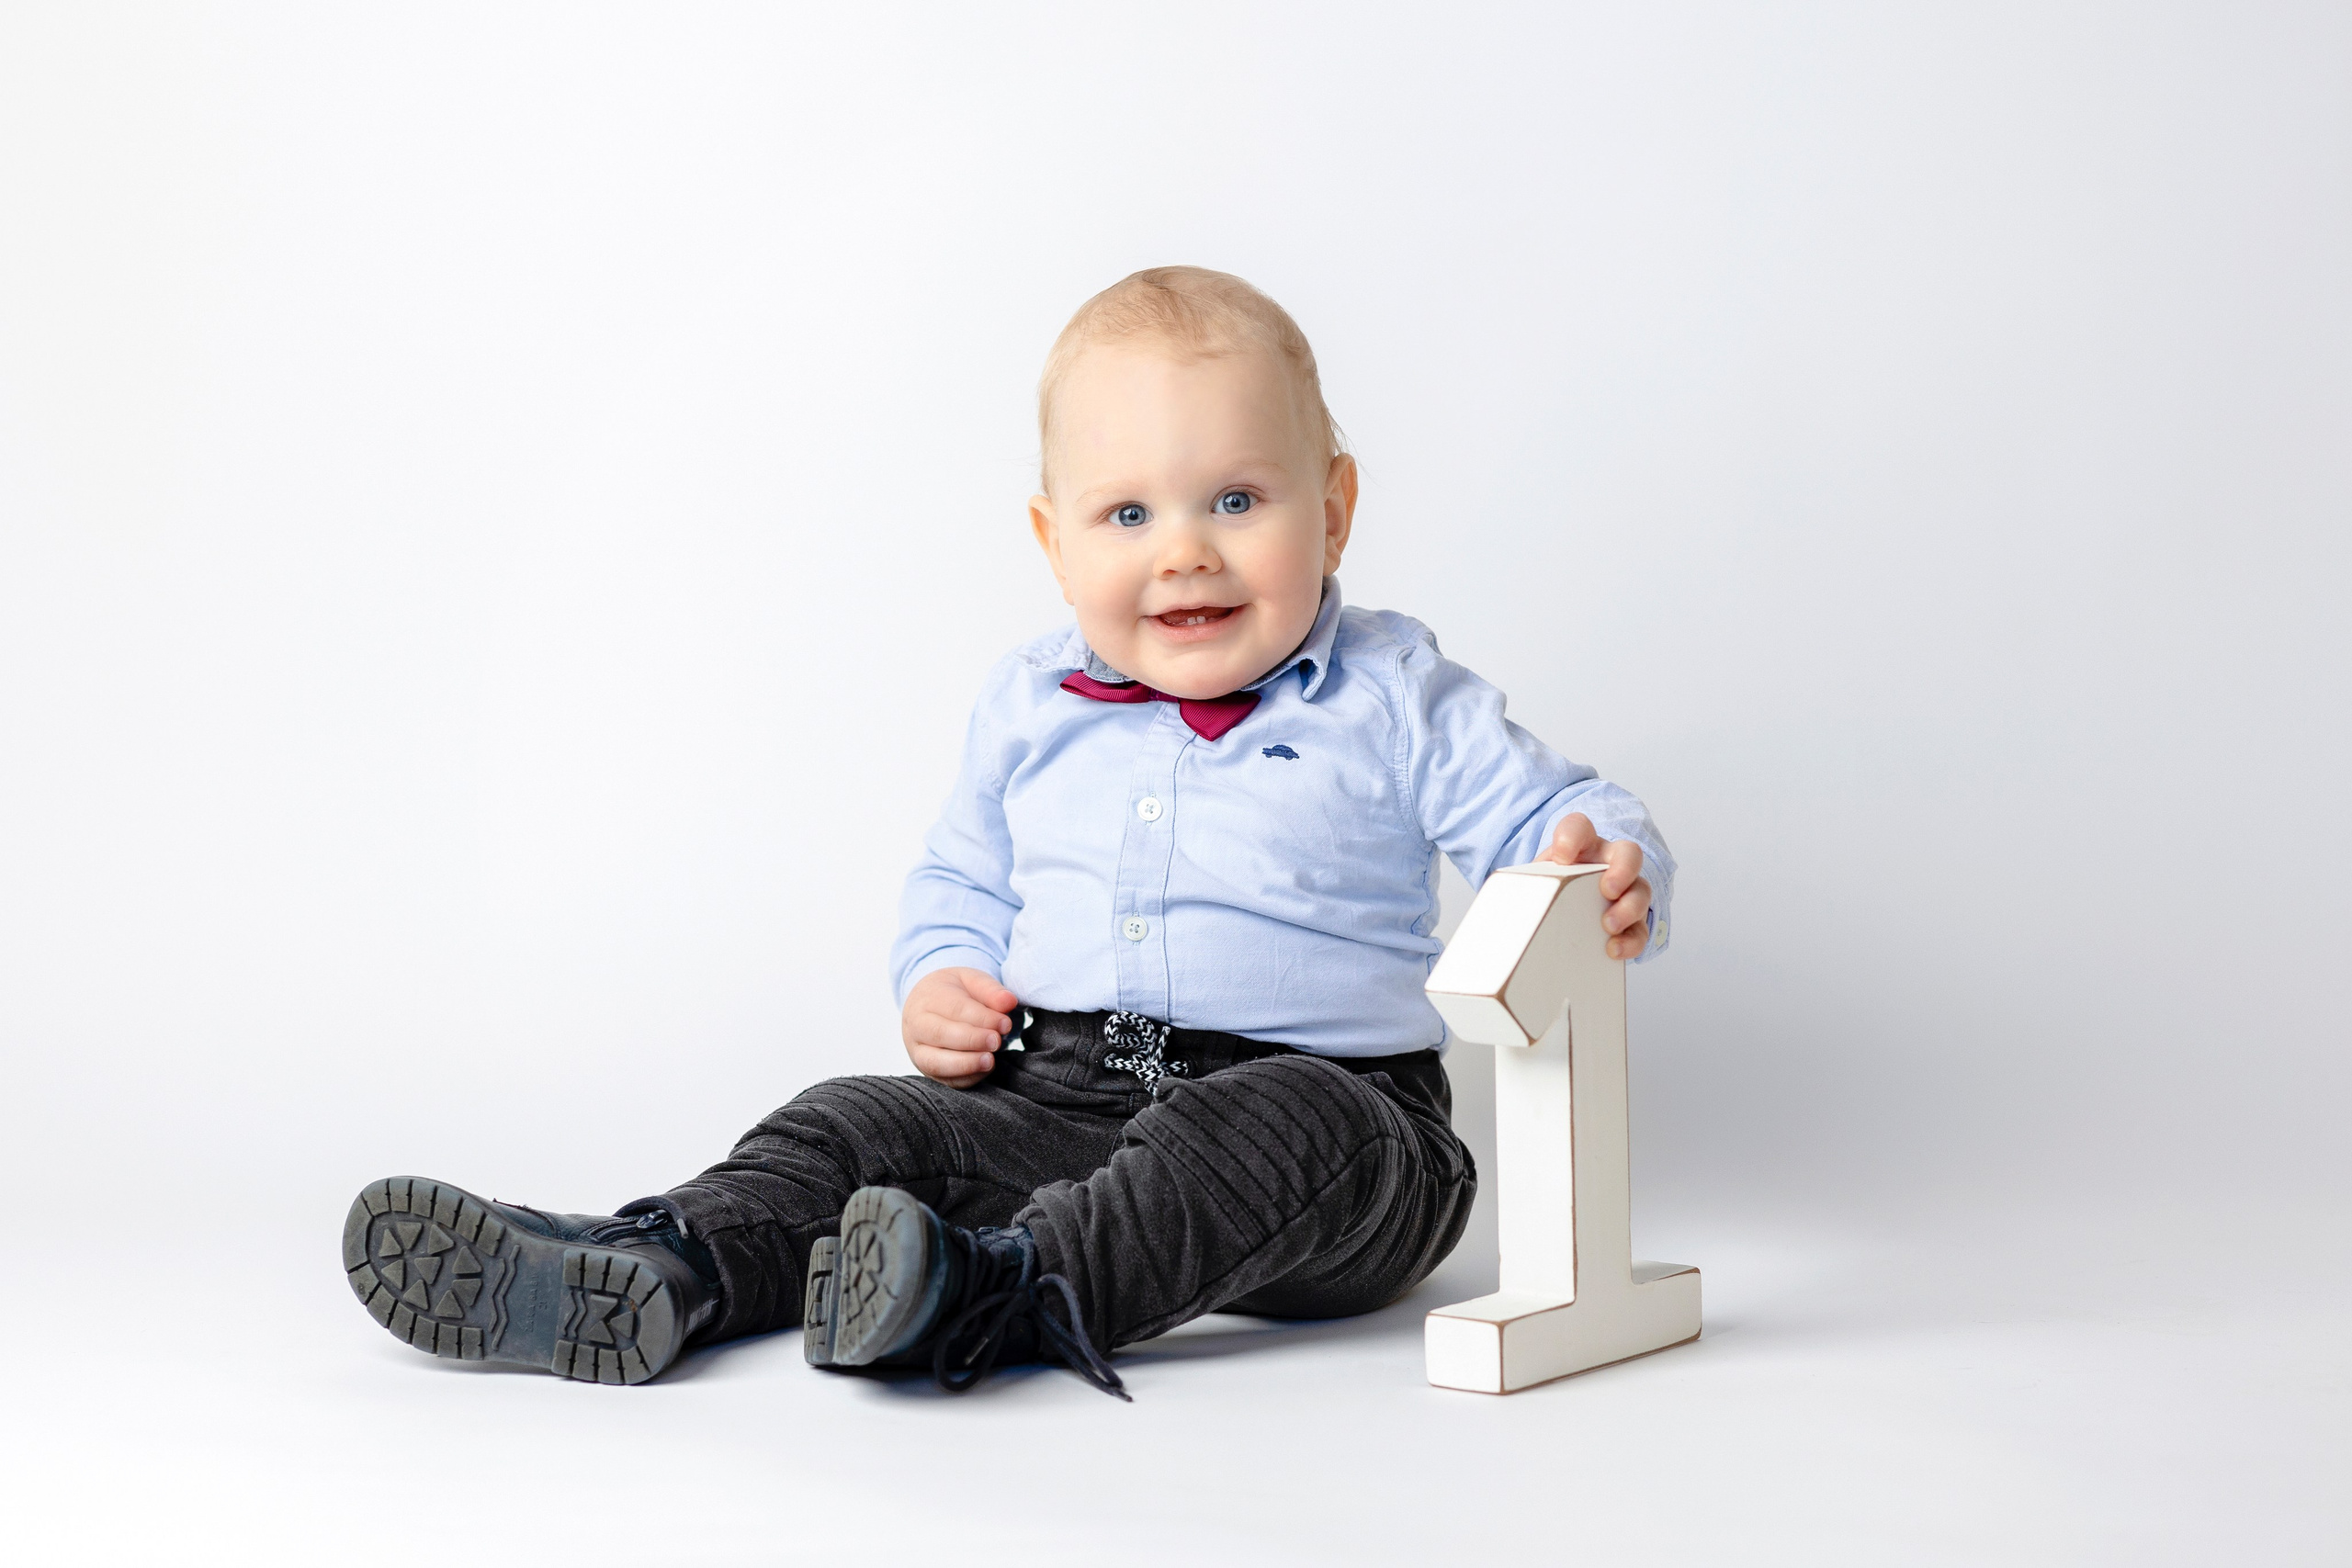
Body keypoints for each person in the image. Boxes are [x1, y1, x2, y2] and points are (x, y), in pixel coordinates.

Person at [341, 266, 1673, 1399]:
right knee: (853, 1122)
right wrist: (937, 976)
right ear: (1054, 541)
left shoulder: (1390, 696)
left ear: (1334, 510)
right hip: (1059, 1097)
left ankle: (992, 1293)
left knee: (1270, 1127)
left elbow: (1554, 813)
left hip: (1342, 1128)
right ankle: (663, 1264)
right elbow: (960, 877)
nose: (1186, 554)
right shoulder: (1031, 702)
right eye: (1129, 514)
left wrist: (1604, 864)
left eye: (1238, 501)